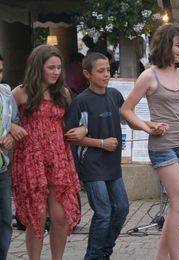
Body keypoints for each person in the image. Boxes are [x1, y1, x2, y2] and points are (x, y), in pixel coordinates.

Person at [120, 24, 179, 260]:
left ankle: (161, 258)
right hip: (161, 146)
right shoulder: (148, 75)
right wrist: (147, 126)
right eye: (177, 44)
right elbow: (126, 111)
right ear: (165, 45)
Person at [11, 44, 83, 260]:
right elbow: (4, 119)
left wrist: (83, 129)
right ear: (37, 67)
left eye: (59, 67)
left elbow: (76, 121)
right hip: (30, 159)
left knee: (60, 217)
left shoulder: (63, 93)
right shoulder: (20, 92)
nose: (56, 72)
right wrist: (11, 127)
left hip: (58, 158)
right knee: (37, 216)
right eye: (51, 67)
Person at [65, 52, 129, 260]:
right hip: (91, 165)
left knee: (121, 209)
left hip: (112, 165)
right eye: (100, 71)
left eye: (108, 70)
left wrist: (149, 126)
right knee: (104, 213)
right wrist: (101, 143)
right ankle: (93, 257)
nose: (106, 75)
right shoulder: (80, 102)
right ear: (87, 74)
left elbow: (129, 117)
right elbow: (72, 137)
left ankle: (104, 253)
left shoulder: (115, 95)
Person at [0, 54, 19, 260]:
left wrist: (11, 136)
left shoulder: (5, 93)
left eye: (0, 71)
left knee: (5, 221)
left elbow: (15, 120)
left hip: (2, 169)